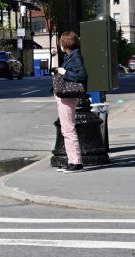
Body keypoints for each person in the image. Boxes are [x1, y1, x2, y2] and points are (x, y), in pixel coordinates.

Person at [54, 31, 88, 173]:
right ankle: (72, 161)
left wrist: (64, 72)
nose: (60, 45)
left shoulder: (75, 57)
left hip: (68, 97)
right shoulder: (70, 56)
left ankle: (76, 162)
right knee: (66, 128)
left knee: (68, 129)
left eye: (61, 42)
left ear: (65, 44)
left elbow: (82, 75)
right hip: (64, 96)